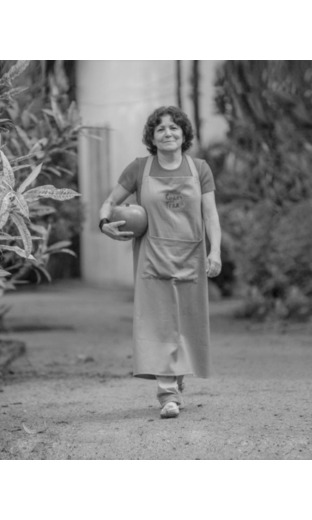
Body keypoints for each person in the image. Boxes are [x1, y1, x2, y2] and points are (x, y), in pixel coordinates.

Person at [99, 106, 222, 419]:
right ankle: (167, 394)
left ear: (184, 134)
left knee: (186, 324)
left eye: (174, 128)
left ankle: (175, 383)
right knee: (159, 324)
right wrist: (104, 224)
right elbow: (110, 203)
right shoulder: (139, 168)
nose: (168, 133)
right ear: (152, 138)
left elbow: (210, 215)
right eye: (161, 129)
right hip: (152, 258)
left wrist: (215, 251)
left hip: (191, 257)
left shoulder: (200, 169)